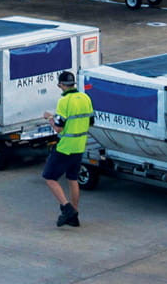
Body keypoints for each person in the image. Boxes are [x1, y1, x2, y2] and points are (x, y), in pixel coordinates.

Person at [42, 70, 94, 227]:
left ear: (61, 85)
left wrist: (49, 118)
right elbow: (91, 122)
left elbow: (58, 128)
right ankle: (75, 215)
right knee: (73, 179)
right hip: (80, 145)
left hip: (65, 146)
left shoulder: (64, 101)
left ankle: (67, 208)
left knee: (49, 177)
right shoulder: (85, 98)